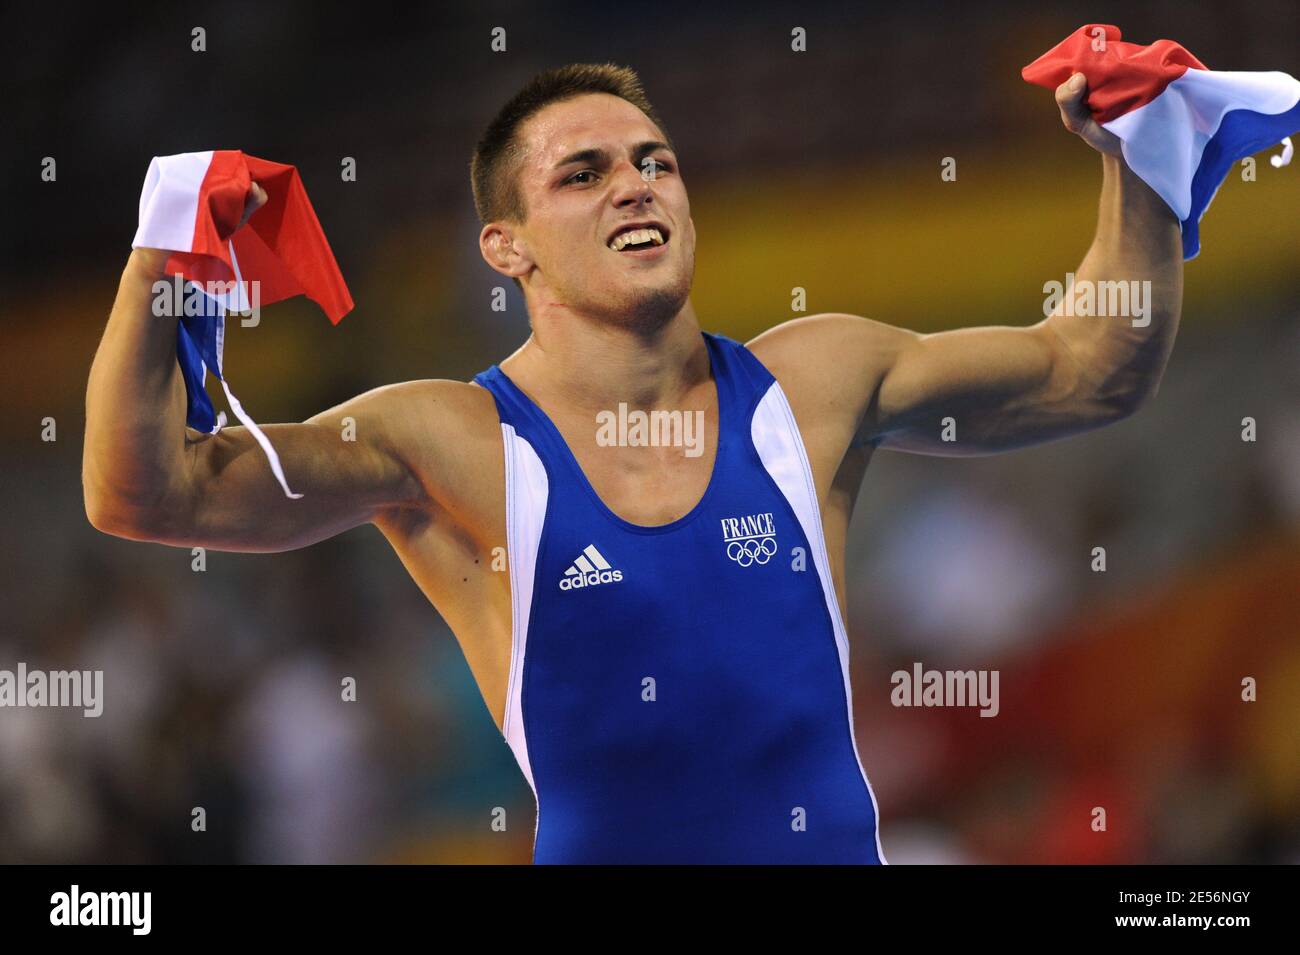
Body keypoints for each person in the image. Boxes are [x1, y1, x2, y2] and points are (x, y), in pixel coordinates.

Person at [83, 63, 1183, 863]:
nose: (636, 184)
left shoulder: (813, 382)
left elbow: (1090, 368)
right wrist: (158, 263)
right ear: (505, 245)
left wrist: (1139, 153)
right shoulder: (451, 440)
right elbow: (145, 491)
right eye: (585, 172)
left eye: (655, 161)